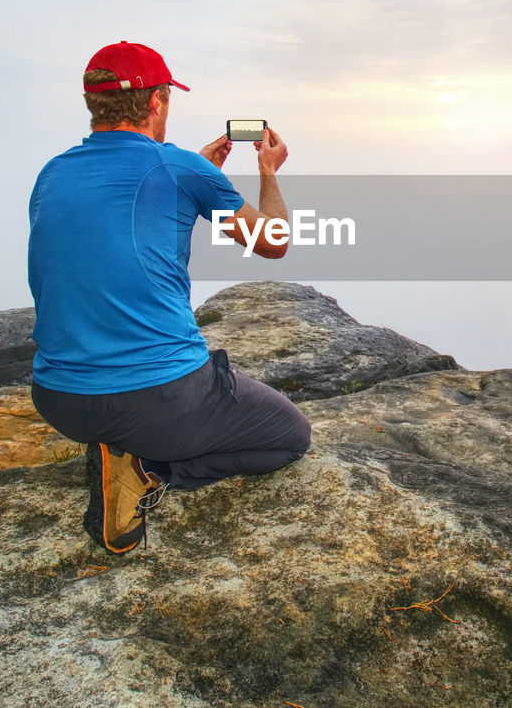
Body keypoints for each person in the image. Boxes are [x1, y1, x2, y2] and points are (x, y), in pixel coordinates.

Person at [27, 41, 311, 555]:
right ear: (157, 102)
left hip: (59, 399)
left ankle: (120, 451)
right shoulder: (180, 170)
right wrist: (267, 173)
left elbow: (105, 239)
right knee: (289, 435)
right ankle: (147, 469)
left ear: (95, 102)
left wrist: (195, 171)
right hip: (156, 401)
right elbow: (272, 242)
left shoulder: (52, 173)